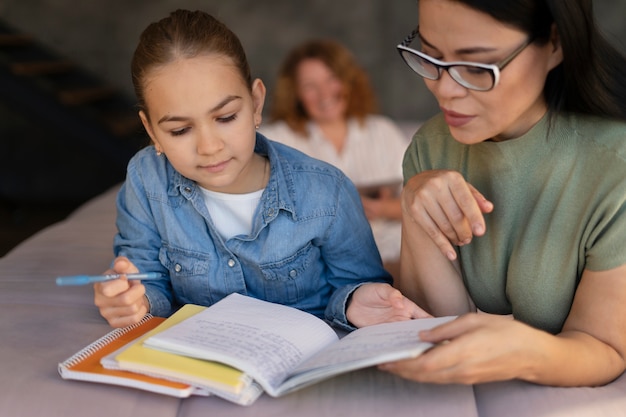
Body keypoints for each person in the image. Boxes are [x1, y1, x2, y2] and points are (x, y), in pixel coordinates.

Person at [92, 9, 428, 331]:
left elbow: (355, 285)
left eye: (225, 118)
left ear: (255, 104)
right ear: (151, 132)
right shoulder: (146, 177)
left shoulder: (328, 191)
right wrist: (133, 300)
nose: (209, 147)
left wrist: (358, 299)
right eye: (180, 130)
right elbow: (147, 278)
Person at [379, 0, 626, 387]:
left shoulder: (615, 167)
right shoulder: (432, 146)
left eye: (477, 67)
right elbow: (436, 328)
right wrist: (413, 203)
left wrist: (525, 353)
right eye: (430, 55)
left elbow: (606, 348)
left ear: (555, 44)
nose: (444, 89)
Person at [260, 39, 408, 277]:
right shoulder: (276, 139)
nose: (324, 93)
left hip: (394, 251)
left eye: (331, 79)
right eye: (310, 86)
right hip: (317, 258)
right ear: (295, 93)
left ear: (349, 81)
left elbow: (420, 204)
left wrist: (378, 208)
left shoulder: (382, 131)